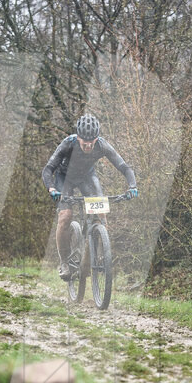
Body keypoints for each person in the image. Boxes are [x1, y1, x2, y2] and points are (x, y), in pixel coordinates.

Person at [42, 114, 138, 280]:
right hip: (65, 178)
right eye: (84, 141)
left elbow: (124, 167)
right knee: (65, 216)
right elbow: (48, 169)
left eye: (91, 141)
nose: (87, 145)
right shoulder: (68, 144)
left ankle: (90, 262)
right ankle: (64, 262)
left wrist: (132, 186)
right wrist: (51, 188)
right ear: (78, 137)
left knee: (101, 217)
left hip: (87, 177)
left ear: (97, 138)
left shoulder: (102, 145)